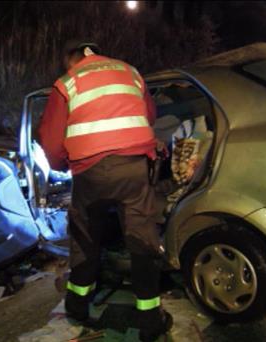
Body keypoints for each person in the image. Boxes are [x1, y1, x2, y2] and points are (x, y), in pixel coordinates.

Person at [38, 40, 172, 341]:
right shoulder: (130, 72)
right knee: (141, 239)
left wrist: (60, 164)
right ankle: (151, 320)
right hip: (134, 168)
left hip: (90, 174)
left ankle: (78, 307)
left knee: (86, 238)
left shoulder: (67, 83)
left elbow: (50, 138)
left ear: (72, 58)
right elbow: (148, 115)